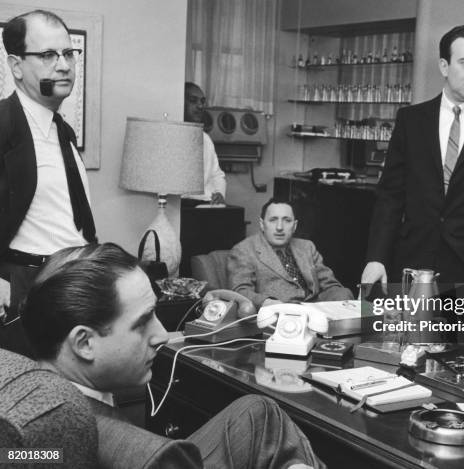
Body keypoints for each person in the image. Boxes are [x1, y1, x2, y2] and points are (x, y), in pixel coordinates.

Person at [20, 242, 324, 469]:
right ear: (84, 343)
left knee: (259, 411)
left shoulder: (34, 401)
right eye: (143, 322)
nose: (162, 335)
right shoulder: (142, 453)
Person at [361, 25, 464, 290]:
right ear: (444, 66)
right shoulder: (411, 121)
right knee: (409, 333)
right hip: (414, 263)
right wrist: (377, 257)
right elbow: (390, 195)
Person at [0, 10, 96, 353]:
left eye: (68, 53)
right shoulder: (3, 126)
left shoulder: (62, 131)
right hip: (26, 288)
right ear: (15, 66)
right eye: (47, 55)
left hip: (73, 287)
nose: (64, 65)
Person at [228, 197, 353, 308]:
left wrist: (341, 297)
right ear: (262, 224)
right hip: (280, 312)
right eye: (273, 220)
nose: (279, 227)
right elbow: (240, 291)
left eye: (287, 220)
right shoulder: (244, 250)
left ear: (294, 226)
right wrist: (266, 302)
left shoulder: (307, 246)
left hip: (315, 308)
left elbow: (329, 283)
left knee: (344, 293)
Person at [184, 81, 227, 205]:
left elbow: (217, 175)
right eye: (193, 100)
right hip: (179, 206)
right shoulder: (170, 137)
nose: (200, 106)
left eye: (202, 101)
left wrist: (220, 194)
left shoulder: (206, 139)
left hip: (206, 204)